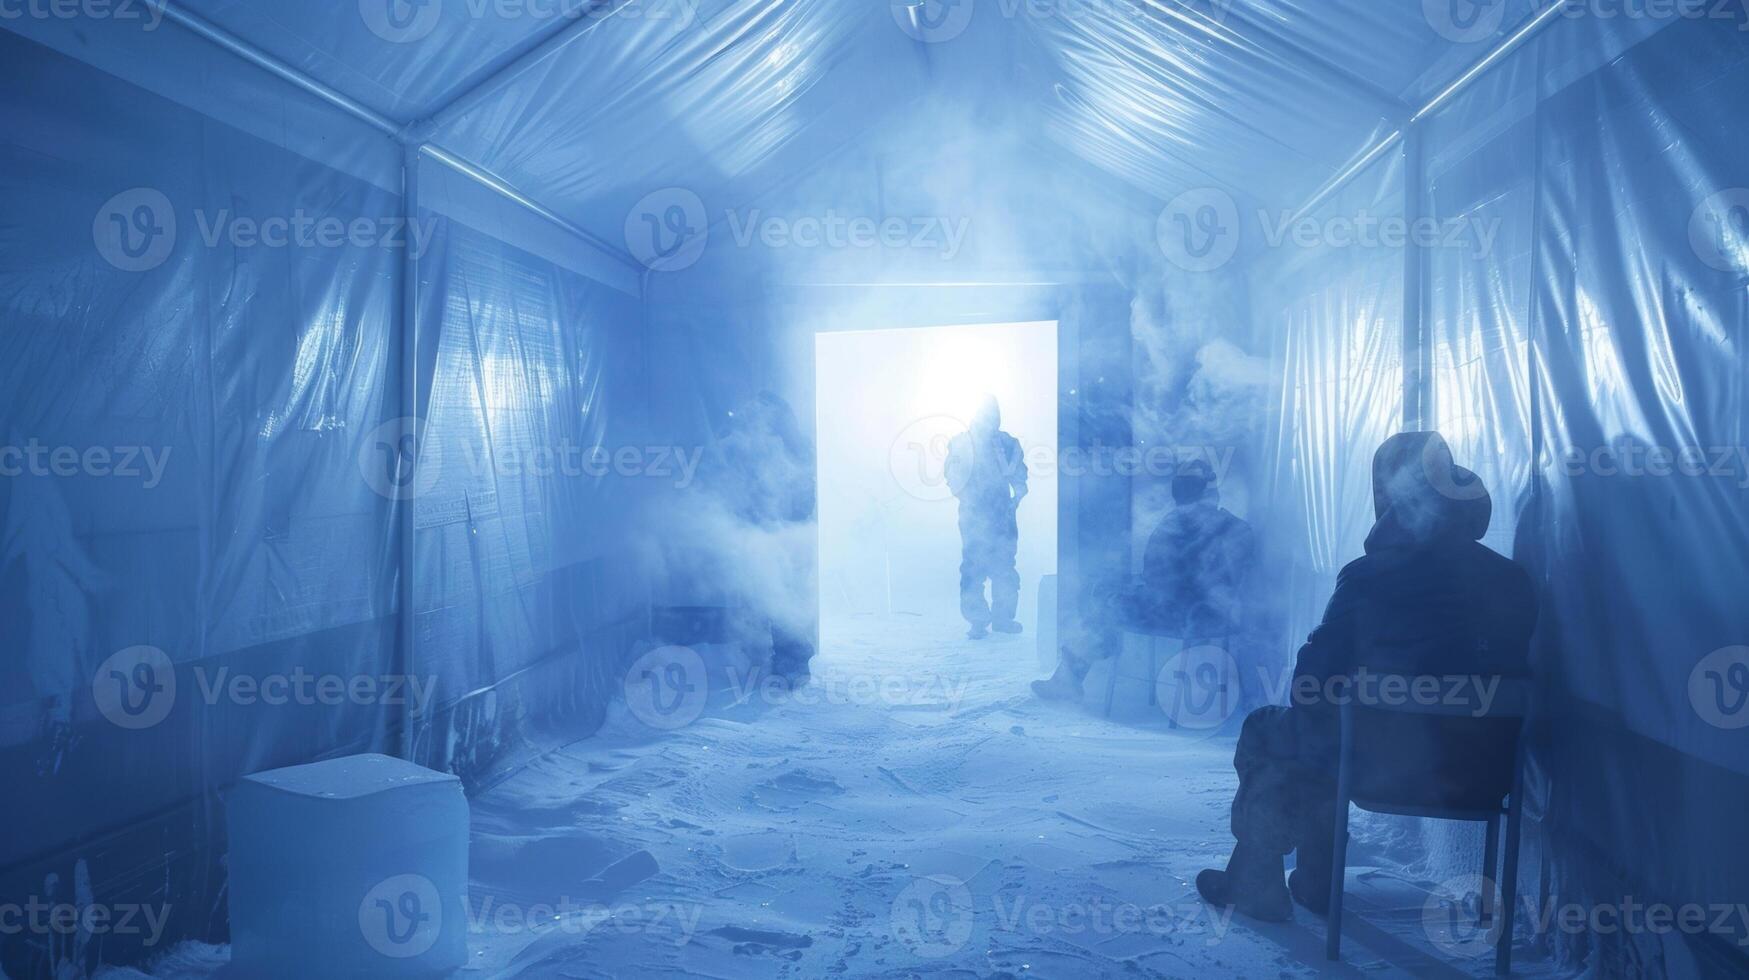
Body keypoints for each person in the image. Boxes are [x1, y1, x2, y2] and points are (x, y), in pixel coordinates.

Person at [1195, 431, 1537, 922]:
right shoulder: (1512, 581)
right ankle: (1312, 884)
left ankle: (1267, 884)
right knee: (1327, 730)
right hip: (1481, 775)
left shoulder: (1369, 577)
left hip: (1378, 768)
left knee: (1279, 729)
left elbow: (1306, 688)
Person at [1032, 459, 1254, 701]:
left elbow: (1170, 581)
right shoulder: (1229, 527)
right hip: (1200, 613)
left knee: (1106, 604)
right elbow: (1168, 574)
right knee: (1108, 595)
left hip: (1186, 615)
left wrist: (1140, 589)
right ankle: (1076, 672)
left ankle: (1069, 680)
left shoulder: (1189, 527)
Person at [945, 396, 1028, 640]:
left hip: (1001, 513)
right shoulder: (961, 443)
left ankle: (1002, 618)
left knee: (1003, 566)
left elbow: (1019, 476)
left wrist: (1015, 498)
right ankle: (978, 620)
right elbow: (952, 475)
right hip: (975, 514)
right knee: (974, 566)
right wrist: (969, 499)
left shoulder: (1008, 444)